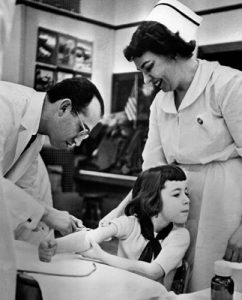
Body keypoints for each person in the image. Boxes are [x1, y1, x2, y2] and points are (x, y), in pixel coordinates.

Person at [100, 0, 242, 292]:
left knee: (213, 285)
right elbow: (150, 173)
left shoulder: (228, 85)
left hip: (225, 206)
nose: (147, 80)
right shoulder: (159, 105)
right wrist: (116, 214)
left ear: (172, 51)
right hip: (176, 207)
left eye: (149, 67)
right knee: (175, 283)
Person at [39, 164, 190, 289]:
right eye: (177, 194)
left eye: (186, 193)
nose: (187, 200)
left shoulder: (179, 236)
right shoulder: (131, 223)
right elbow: (89, 237)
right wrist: (55, 246)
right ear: (153, 199)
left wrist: (103, 256)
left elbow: (153, 272)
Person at [0, 76, 104, 245]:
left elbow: (28, 196)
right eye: (82, 130)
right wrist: (46, 214)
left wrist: (48, 237)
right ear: (64, 107)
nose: (78, 142)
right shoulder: (4, 104)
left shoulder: (35, 138)